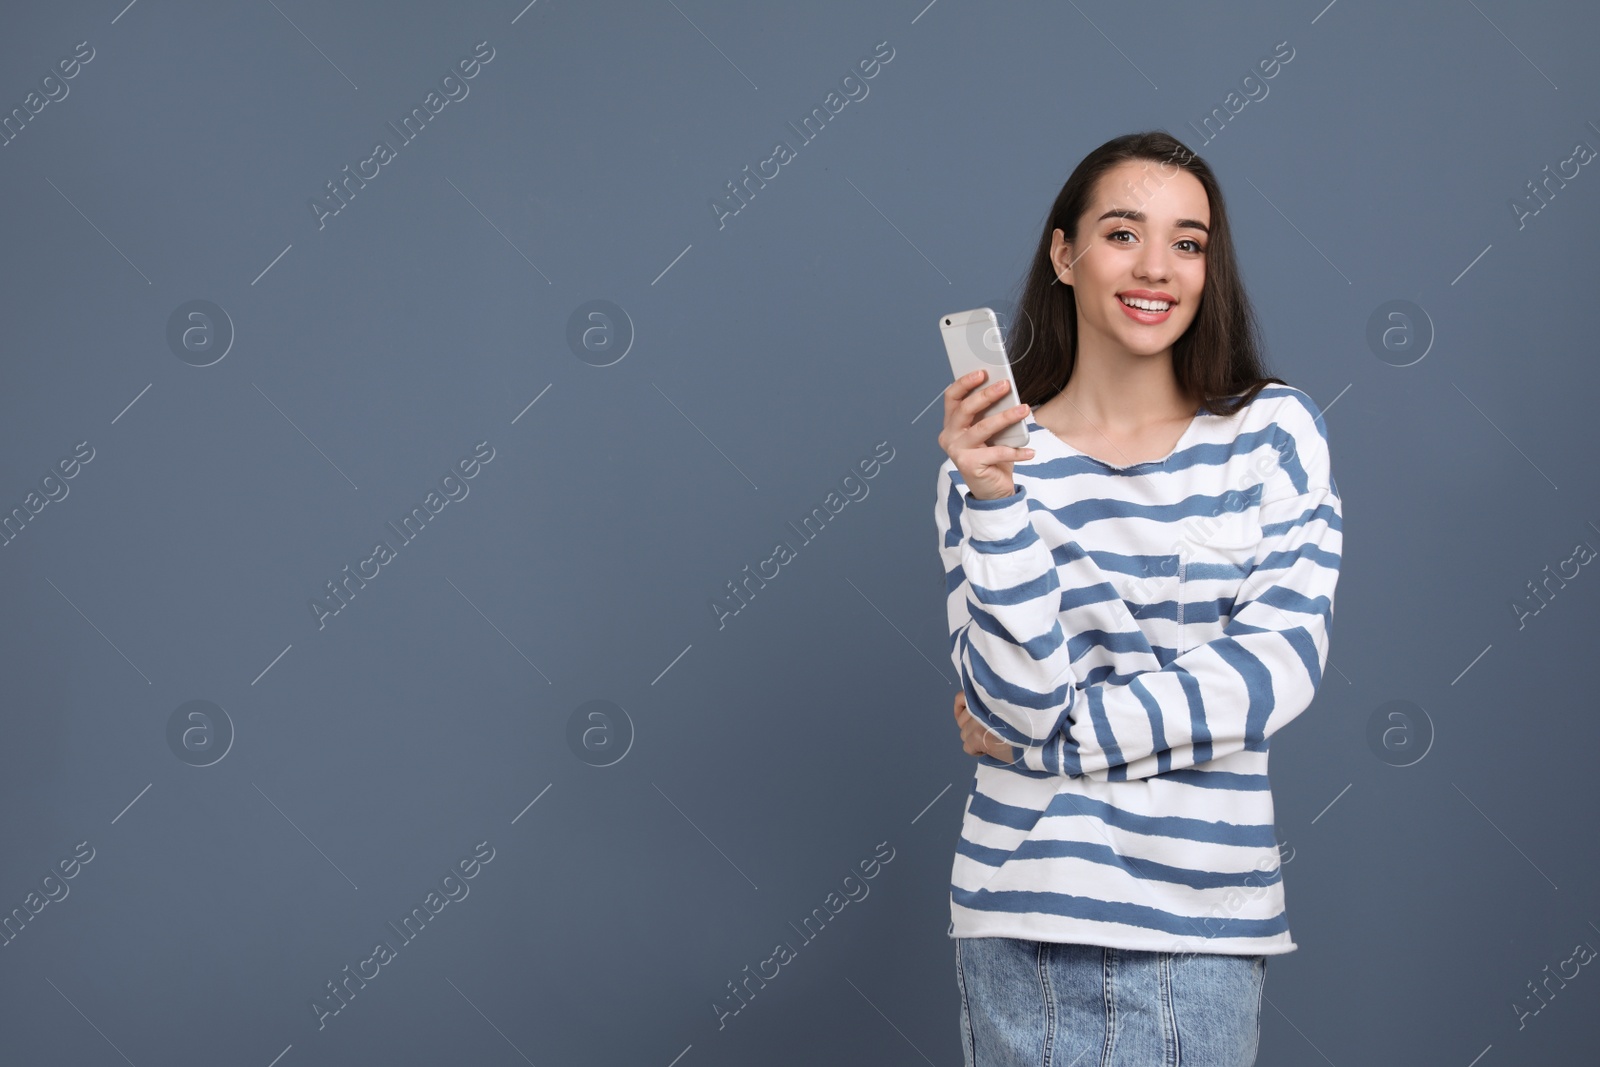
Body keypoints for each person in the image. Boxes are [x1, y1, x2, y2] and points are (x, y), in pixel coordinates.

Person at [935, 130, 1342, 1067]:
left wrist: (1059, 739)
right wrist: (994, 498)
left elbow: (1273, 668)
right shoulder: (990, 462)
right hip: (1018, 918)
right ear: (1064, 253)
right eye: (1123, 233)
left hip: (1199, 926)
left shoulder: (1272, 435)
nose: (1157, 266)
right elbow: (1015, 697)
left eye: (1188, 242)